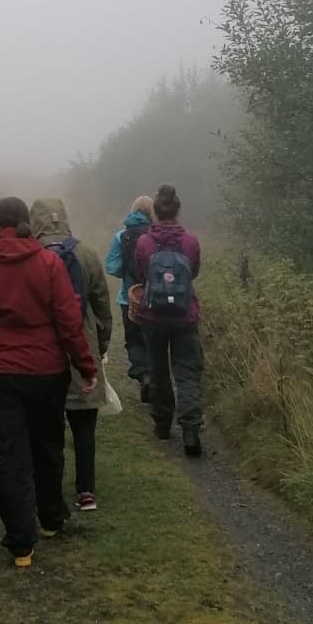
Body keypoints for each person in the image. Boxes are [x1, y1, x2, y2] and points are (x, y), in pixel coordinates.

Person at [0, 197, 98, 568]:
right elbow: (69, 322)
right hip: (48, 373)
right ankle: (51, 519)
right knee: (48, 444)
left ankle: (22, 545)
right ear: (25, 224)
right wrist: (86, 367)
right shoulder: (49, 264)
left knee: (10, 455)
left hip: (0, 375)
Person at [31, 197, 112, 512]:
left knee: (46, 427)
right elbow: (103, 307)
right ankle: (86, 491)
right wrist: (99, 346)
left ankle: (49, 488)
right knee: (84, 426)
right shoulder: (87, 254)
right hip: (82, 349)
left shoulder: (31, 256)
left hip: (42, 353)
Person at [133, 184, 204, 457]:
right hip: (185, 314)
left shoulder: (144, 242)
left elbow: (142, 274)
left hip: (153, 314)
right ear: (178, 211)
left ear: (156, 212)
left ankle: (162, 425)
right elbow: (193, 272)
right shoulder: (191, 241)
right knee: (187, 372)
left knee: (159, 368)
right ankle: (191, 431)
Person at [105, 196, 155, 400]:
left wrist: (126, 274)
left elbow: (111, 266)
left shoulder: (121, 235)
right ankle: (155, 376)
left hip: (129, 299)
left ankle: (144, 375)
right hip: (154, 299)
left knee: (133, 340)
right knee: (152, 340)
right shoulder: (156, 235)